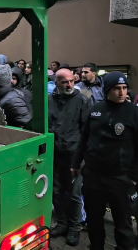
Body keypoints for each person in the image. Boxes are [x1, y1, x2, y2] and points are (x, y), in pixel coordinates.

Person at [71, 71, 138, 250]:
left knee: (123, 222)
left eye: (124, 88)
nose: (122, 92)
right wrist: (76, 164)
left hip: (120, 178)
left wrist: (133, 176)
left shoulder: (133, 112)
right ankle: (96, 246)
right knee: (94, 218)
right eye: (117, 88)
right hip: (94, 176)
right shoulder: (96, 109)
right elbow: (84, 139)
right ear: (108, 89)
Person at [48, 69, 91, 246]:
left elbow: (87, 131)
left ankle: (74, 228)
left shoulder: (82, 100)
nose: (69, 85)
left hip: (74, 155)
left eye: (71, 81)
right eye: (64, 82)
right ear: (56, 83)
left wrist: (82, 157)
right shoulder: (50, 101)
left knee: (74, 194)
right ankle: (62, 223)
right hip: (56, 153)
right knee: (56, 191)